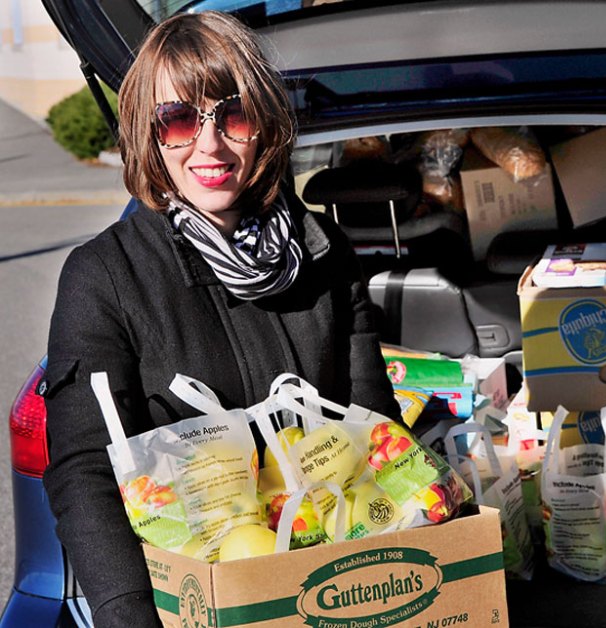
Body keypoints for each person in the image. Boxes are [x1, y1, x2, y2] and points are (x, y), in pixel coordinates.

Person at [41, 10, 399, 627]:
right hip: (189, 600)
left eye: (232, 115)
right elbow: (86, 472)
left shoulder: (323, 253)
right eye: (177, 120)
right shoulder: (103, 277)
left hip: (337, 582)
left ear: (264, 127)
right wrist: (128, 614)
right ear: (148, 135)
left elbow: (373, 429)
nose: (209, 144)